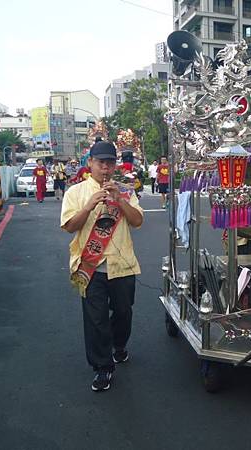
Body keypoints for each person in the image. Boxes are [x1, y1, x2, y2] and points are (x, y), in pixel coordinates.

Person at [60, 141, 143, 392]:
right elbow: (69, 226)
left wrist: (120, 201)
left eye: (110, 163)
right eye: (100, 163)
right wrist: (88, 206)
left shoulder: (126, 190)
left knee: (123, 313)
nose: (105, 168)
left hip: (123, 266)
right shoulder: (75, 193)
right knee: (95, 320)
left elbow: (138, 221)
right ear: (90, 164)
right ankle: (102, 367)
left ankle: (119, 345)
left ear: (115, 165)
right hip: (90, 266)